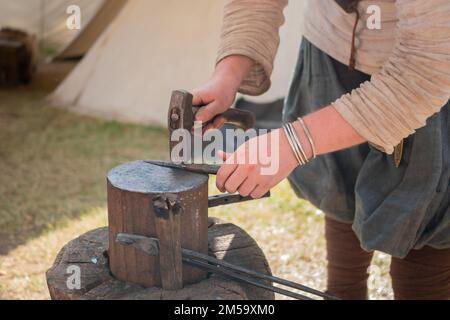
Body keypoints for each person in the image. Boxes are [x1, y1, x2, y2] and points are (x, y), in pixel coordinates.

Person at [191, 0, 450, 299]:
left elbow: (426, 66)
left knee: (426, 212)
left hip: (428, 70)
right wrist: (228, 74)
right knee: (338, 183)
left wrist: (293, 143)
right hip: (331, 46)